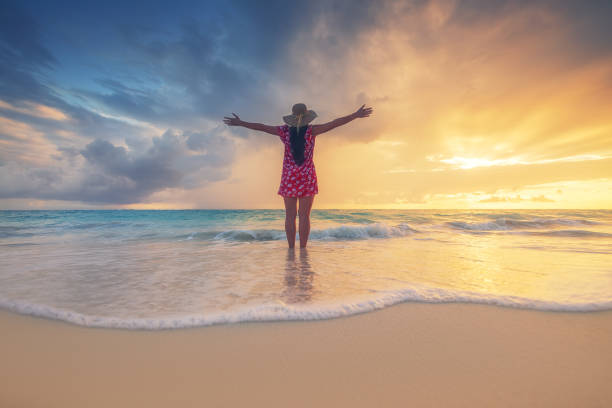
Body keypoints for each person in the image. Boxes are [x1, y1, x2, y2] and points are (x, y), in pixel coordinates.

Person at [223, 103, 373, 248]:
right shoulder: (311, 131)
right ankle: (303, 248)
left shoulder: (284, 131)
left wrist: (241, 123)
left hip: (289, 178)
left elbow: (261, 127)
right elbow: (334, 123)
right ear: (307, 116)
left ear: (292, 116)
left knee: (289, 216)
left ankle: (290, 248)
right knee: (304, 216)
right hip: (307, 177)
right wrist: (355, 115)